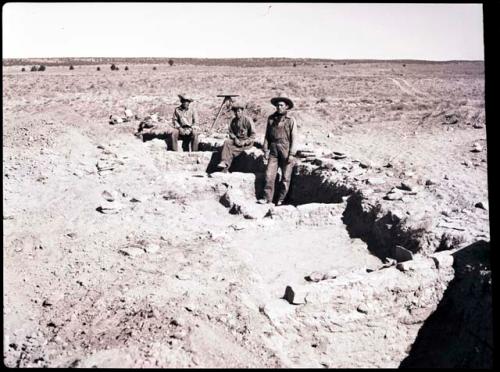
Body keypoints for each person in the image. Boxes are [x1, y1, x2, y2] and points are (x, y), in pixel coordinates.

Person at [258, 96, 298, 206]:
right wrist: (265, 149)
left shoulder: (291, 120)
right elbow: (267, 135)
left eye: (281, 105)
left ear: (286, 107)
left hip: (286, 149)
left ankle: (281, 200)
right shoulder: (271, 119)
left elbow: (294, 138)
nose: (279, 107)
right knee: (269, 175)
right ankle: (267, 198)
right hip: (274, 149)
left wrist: (292, 154)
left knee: (285, 178)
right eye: (278, 105)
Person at [216, 103, 256, 172]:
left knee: (231, 150)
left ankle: (225, 166)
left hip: (246, 142)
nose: (237, 113)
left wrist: (245, 142)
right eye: (235, 111)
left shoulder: (248, 120)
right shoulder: (233, 121)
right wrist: (235, 138)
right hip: (237, 140)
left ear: (242, 111)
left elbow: (253, 135)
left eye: (239, 111)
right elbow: (231, 132)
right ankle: (224, 162)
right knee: (227, 142)